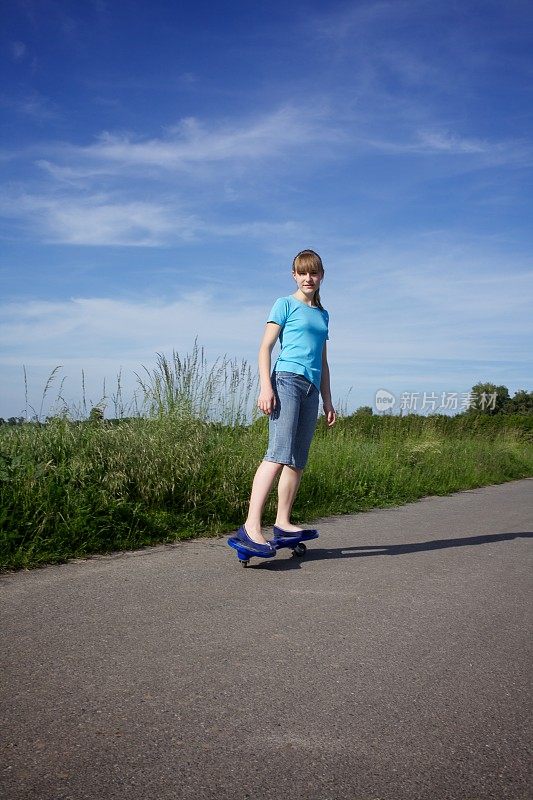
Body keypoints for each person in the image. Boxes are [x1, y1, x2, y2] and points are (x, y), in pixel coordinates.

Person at [235, 249, 336, 555]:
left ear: (321, 276)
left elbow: (323, 360)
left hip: (311, 387)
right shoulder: (284, 304)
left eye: (314, 272)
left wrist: (327, 400)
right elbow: (265, 348)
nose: (309, 278)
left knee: (297, 459)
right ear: (294, 275)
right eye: (303, 272)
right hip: (286, 380)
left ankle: (282, 521)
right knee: (278, 454)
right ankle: (251, 526)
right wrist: (266, 388)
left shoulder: (322, 314)